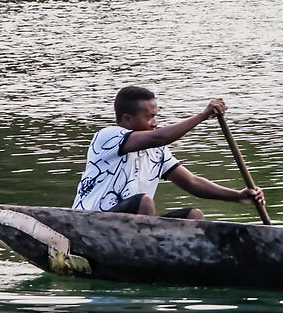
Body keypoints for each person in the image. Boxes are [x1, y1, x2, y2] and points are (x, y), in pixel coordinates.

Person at [74, 86, 266, 220]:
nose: (155, 123)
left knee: (193, 216)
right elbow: (159, 138)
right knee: (144, 202)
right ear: (127, 118)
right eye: (149, 117)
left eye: (156, 116)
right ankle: (142, 258)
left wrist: (238, 196)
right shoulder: (107, 137)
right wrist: (201, 116)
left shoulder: (157, 151)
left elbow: (192, 183)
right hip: (91, 221)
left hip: (133, 229)